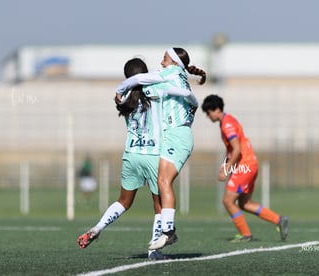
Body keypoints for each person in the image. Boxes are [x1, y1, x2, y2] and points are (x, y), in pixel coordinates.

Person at [77, 57, 193, 260]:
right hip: (153, 155)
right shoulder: (155, 91)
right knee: (159, 205)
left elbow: (120, 96)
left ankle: (97, 228)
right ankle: (154, 250)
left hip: (131, 155)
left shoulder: (122, 99)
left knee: (123, 201)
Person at [116, 47, 206, 250]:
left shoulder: (170, 73)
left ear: (174, 62)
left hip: (177, 136)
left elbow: (136, 80)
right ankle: (167, 231)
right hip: (176, 136)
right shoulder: (180, 75)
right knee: (161, 181)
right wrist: (188, 100)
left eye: (165, 58)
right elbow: (192, 98)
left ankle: (168, 231)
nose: (161, 61)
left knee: (163, 181)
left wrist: (120, 91)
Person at [201, 94, 288, 242]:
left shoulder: (227, 124)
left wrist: (227, 168)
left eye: (208, 113)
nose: (208, 117)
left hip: (245, 166)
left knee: (228, 201)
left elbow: (237, 149)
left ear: (216, 109)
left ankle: (245, 234)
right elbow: (232, 151)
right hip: (250, 164)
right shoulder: (228, 121)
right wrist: (226, 166)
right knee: (245, 204)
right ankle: (279, 220)